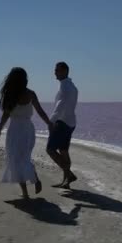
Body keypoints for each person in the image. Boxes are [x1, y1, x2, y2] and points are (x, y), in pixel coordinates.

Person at [0, 67, 53, 199]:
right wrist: (48, 123)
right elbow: (40, 111)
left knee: (16, 159)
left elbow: (5, 115)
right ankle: (35, 181)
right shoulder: (31, 94)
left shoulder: (10, 96)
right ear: (24, 80)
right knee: (24, 158)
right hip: (28, 129)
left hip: (15, 129)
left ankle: (26, 192)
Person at [47, 61, 79, 189]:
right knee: (64, 151)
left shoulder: (66, 87)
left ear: (64, 71)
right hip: (71, 122)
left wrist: (51, 121)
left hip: (62, 122)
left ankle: (69, 175)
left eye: (57, 70)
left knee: (50, 149)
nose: (55, 72)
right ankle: (66, 181)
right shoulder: (71, 86)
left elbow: (60, 106)